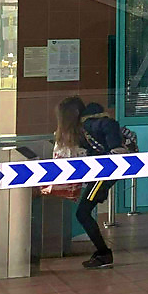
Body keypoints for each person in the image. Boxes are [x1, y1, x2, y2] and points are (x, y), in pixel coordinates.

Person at [51, 96, 114, 270]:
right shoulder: (86, 129)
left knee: (83, 213)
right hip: (102, 173)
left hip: (104, 174)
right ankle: (102, 252)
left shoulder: (86, 131)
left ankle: (104, 253)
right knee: (83, 212)